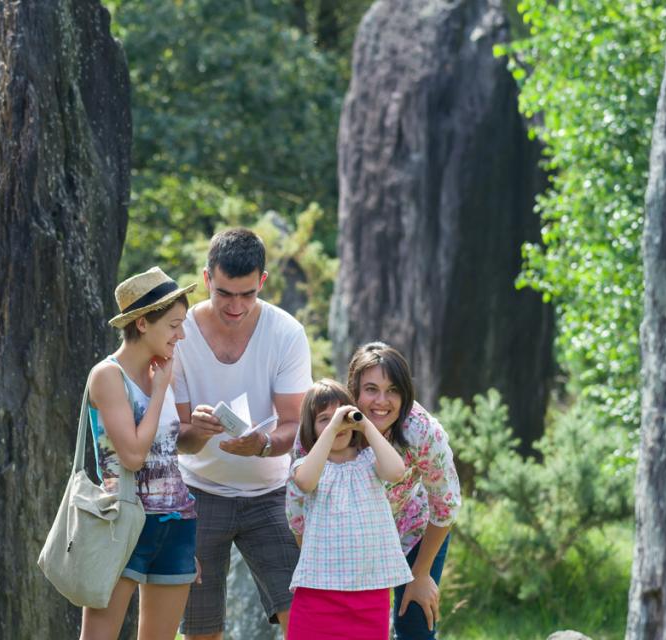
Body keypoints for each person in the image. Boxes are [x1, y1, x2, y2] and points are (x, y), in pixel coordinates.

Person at [173, 228, 313, 638]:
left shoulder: (286, 332)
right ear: (206, 279)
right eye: (224, 293)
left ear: (263, 282)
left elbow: (295, 424)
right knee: (201, 628)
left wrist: (264, 444)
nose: (236, 306)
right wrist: (196, 432)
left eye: (247, 294)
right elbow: (179, 437)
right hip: (198, 490)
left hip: (270, 493)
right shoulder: (180, 335)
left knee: (302, 615)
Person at [287, 343, 460, 639]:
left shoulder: (421, 431)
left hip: (412, 531)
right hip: (345, 545)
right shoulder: (323, 428)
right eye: (371, 389)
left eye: (393, 390)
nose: (382, 401)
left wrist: (420, 573)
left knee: (415, 624)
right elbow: (297, 511)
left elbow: (445, 504)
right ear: (353, 390)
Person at [80, 267, 202, 640]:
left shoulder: (159, 372)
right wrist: (161, 390)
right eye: (173, 325)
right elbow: (133, 456)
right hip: (123, 523)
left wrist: (201, 431)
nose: (181, 335)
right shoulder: (107, 376)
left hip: (177, 523)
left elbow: (167, 451)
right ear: (143, 323)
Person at [286, 379, 411, 639]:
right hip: (317, 592)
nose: (337, 424)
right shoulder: (306, 465)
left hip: (369, 591)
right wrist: (332, 429)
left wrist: (364, 424)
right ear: (312, 429)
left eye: (342, 415)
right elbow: (306, 482)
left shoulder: (370, 462)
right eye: (324, 419)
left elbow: (397, 471)